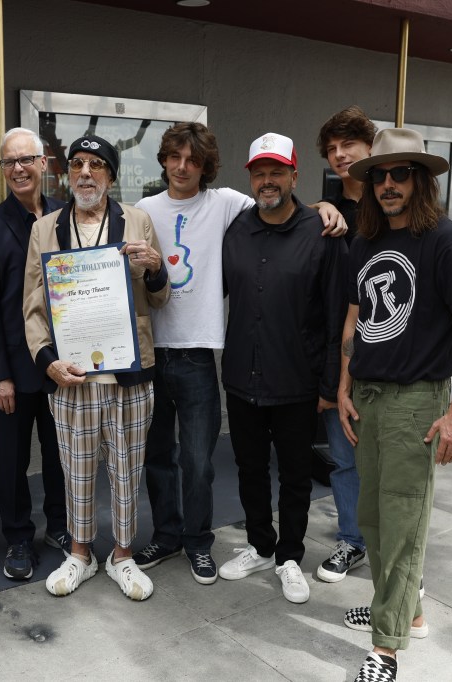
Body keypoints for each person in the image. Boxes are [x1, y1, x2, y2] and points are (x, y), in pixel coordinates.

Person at [132, 123, 349, 585]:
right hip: (166, 356)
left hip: (221, 359)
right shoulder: (148, 212)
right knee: (174, 459)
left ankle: (243, 550)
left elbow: (290, 214)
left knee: (207, 463)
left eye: (193, 160)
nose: (182, 167)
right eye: (175, 157)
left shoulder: (230, 206)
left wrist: (325, 206)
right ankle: (192, 538)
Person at [338, 127, 452, 682]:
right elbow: (356, 323)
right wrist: (345, 387)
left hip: (415, 401)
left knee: (402, 521)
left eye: (400, 173)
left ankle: (387, 648)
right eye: (379, 175)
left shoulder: (446, 241)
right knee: (373, 518)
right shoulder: (366, 241)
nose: (388, 184)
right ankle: (405, 611)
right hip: (369, 397)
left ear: (421, 180)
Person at [23, 134, 170, 601]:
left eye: (96, 164)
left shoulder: (137, 221)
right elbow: (33, 306)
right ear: (67, 173)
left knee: (128, 470)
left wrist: (155, 268)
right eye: (77, 164)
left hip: (128, 371)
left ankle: (122, 556)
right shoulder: (45, 228)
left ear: (111, 174)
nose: (85, 173)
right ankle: (80, 554)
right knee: (76, 469)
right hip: (73, 373)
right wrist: (47, 361)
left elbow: (160, 297)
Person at [220, 133, 348, 605]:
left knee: (295, 476)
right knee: (249, 469)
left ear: (295, 175)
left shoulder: (322, 233)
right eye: (260, 173)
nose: (267, 181)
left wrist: (330, 384)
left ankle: (289, 556)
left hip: (297, 380)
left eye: (277, 172)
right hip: (242, 376)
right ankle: (259, 545)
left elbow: (336, 314)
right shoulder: (236, 229)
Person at [0, 128, 69, 580]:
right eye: (9, 162)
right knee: (11, 462)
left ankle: (61, 528)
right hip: (13, 369)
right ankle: (18, 539)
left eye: (26, 159)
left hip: (62, 364)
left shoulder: (68, 217)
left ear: (43, 163)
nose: (18, 169)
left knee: (62, 455)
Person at [311, 106, 376, 584]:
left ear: (370, 147)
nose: (340, 154)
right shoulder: (327, 214)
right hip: (341, 354)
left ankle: (394, 548)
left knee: (392, 464)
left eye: (348, 144)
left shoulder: (396, 202)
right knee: (344, 457)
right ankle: (352, 540)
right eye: (332, 149)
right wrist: (318, 207)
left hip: (395, 356)